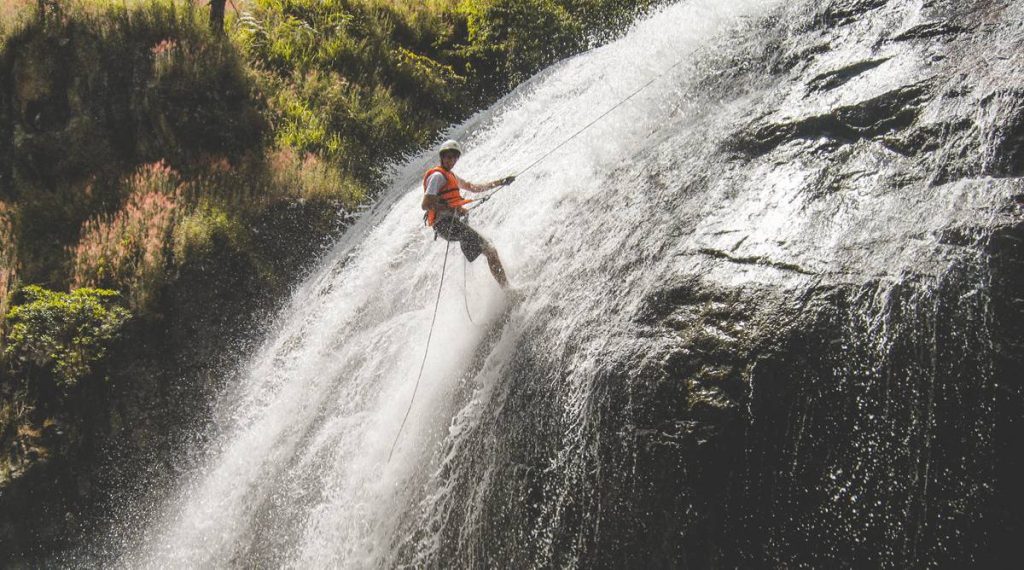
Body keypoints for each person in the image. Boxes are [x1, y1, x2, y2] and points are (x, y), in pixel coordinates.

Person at [422, 140, 515, 288]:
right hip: (445, 225)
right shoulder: (438, 176)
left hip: (451, 224)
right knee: (490, 251)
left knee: (489, 248)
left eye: (454, 157)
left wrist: (500, 182)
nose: (451, 160)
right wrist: (448, 207)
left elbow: (472, 187)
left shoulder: (450, 175)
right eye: (448, 157)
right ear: (442, 157)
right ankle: (508, 290)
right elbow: (425, 204)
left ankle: (505, 288)